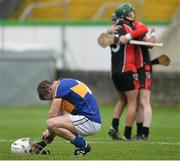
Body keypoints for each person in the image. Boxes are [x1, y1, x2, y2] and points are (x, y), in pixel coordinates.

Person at [107, 4, 170, 140]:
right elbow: (102, 40)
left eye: (116, 19)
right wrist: (109, 32)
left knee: (143, 101)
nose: (115, 22)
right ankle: (138, 132)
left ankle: (143, 133)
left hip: (144, 66)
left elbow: (148, 38)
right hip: (133, 68)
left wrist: (151, 33)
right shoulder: (120, 30)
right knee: (136, 102)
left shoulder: (134, 26)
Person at [107, 3, 150, 140]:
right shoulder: (128, 28)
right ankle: (127, 134)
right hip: (128, 70)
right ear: (127, 15)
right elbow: (144, 28)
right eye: (131, 12)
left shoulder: (112, 30)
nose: (133, 14)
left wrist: (107, 32)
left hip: (114, 72)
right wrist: (130, 36)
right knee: (133, 103)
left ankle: (114, 126)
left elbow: (101, 40)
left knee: (122, 100)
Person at [31, 78, 101, 155]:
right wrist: (49, 132)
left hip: (90, 120)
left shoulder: (60, 87)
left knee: (50, 123)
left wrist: (48, 131)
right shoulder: (63, 86)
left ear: (50, 89)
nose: (53, 100)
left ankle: (83, 146)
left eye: (51, 98)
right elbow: (58, 118)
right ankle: (41, 145)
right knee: (53, 124)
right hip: (88, 120)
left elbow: (52, 115)